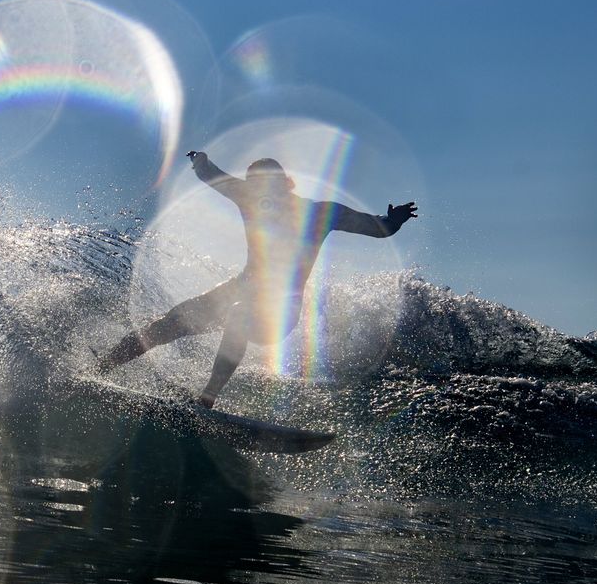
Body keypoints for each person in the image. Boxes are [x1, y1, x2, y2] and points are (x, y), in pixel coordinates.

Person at [99, 151, 417, 407]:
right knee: (169, 323)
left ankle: (206, 400)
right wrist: (201, 161)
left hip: (282, 308)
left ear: (284, 184)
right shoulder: (250, 198)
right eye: (254, 186)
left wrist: (393, 220)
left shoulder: (320, 214)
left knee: (239, 315)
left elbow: (377, 228)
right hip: (241, 286)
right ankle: (101, 367)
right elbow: (215, 178)